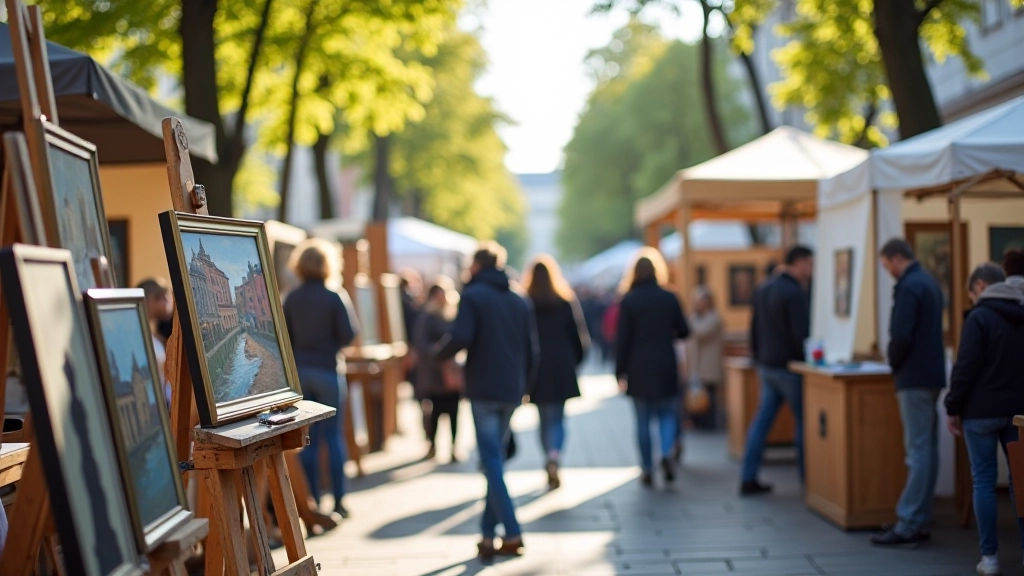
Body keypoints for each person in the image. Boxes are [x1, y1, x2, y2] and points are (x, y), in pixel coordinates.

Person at [436, 242, 537, 559]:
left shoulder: (473, 296)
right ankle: (486, 534)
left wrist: (437, 355)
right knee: (493, 460)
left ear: (477, 266)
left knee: (491, 460)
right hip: (511, 389)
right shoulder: (519, 298)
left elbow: (462, 336)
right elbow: (533, 350)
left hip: (483, 390)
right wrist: (525, 386)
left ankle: (513, 529)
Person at [945, 263, 1024, 575]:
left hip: (980, 412)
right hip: (1019, 412)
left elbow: (965, 368)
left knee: (983, 482)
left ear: (980, 286)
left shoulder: (979, 317)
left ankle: (989, 558)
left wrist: (953, 406)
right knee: (1021, 483)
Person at [872, 238, 945, 546]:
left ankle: (910, 522)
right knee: (927, 448)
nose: (887, 269)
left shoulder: (908, 286)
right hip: (931, 374)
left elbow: (901, 335)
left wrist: (893, 361)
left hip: (913, 376)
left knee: (917, 450)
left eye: (886, 263)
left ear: (896, 258)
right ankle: (920, 518)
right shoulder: (929, 282)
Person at [283, 238, 358, 519]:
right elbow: (349, 334)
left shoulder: (292, 297)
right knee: (334, 437)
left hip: (301, 373)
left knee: (308, 439)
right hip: (328, 370)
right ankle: (339, 501)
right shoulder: (334, 295)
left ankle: (312, 499)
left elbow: (285, 338)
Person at [740, 245, 813, 496]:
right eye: (810, 264)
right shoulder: (793, 292)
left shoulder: (763, 288)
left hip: (767, 366)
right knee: (804, 422)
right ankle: (810, 480)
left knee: (762, 422)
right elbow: (800, 334)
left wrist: (758, 358)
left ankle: (748, 475)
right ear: (800, 262)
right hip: (789, 368)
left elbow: (753, 330)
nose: (811, 271)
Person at [615, 247, 690, 486]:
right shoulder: (669, 297)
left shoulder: (629, 300)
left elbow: (622, 339)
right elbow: (685, 330)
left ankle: (647, 466)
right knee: (668, 413)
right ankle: (666, 451)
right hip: (665, 362)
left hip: (638, 366)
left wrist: (619, 371)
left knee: (643, 420)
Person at [523, 255, 590, 490]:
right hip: (562, 365)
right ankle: (554, 454)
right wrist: (577, 361)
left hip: (537, 367)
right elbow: (579, 337)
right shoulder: (565, 301)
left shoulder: (526, 302)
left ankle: (548, 456)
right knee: (558, 418)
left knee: (543, 419)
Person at [414, 279, 462, 462]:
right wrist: (440, 351)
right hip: (434, 375)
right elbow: (421, 343)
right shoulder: (427, 317)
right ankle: (432, 444)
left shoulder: (453, 315)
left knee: (454, 413)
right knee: (434, 413)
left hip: (451, 373)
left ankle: (453, 446)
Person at [686, 286, 724, 430]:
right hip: (698, 364)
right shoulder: (697, 318)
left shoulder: (713, 318)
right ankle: (699, 421)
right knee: (699, 394)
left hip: (709, 364)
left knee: (710, 395)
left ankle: (710, 423)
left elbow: (700, 332)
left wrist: (689, 320)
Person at [137, 278, 174, 406]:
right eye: (164, 297)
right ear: (149, 300)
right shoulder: (140, 337)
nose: (170, 301)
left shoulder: (152, 334)